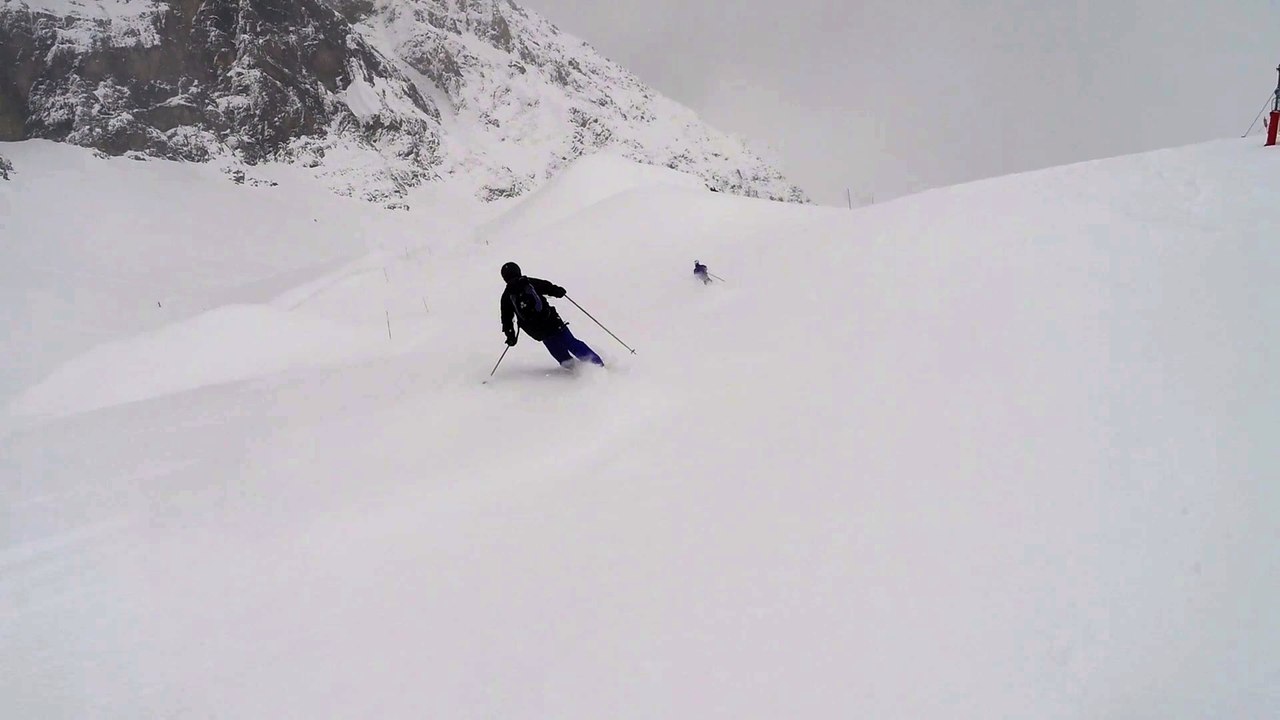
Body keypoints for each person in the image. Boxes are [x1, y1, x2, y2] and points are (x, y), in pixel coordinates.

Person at [500, 262, 604, 368]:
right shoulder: (529, 282)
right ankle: (597, 365)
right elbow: (547, 286)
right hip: (551, 320)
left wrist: (510, 336)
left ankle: (574, 369)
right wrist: (557, 291)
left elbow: (506, 319)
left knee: (556, 350)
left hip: (536, 330)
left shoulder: (506, 296)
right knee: (571, 343)